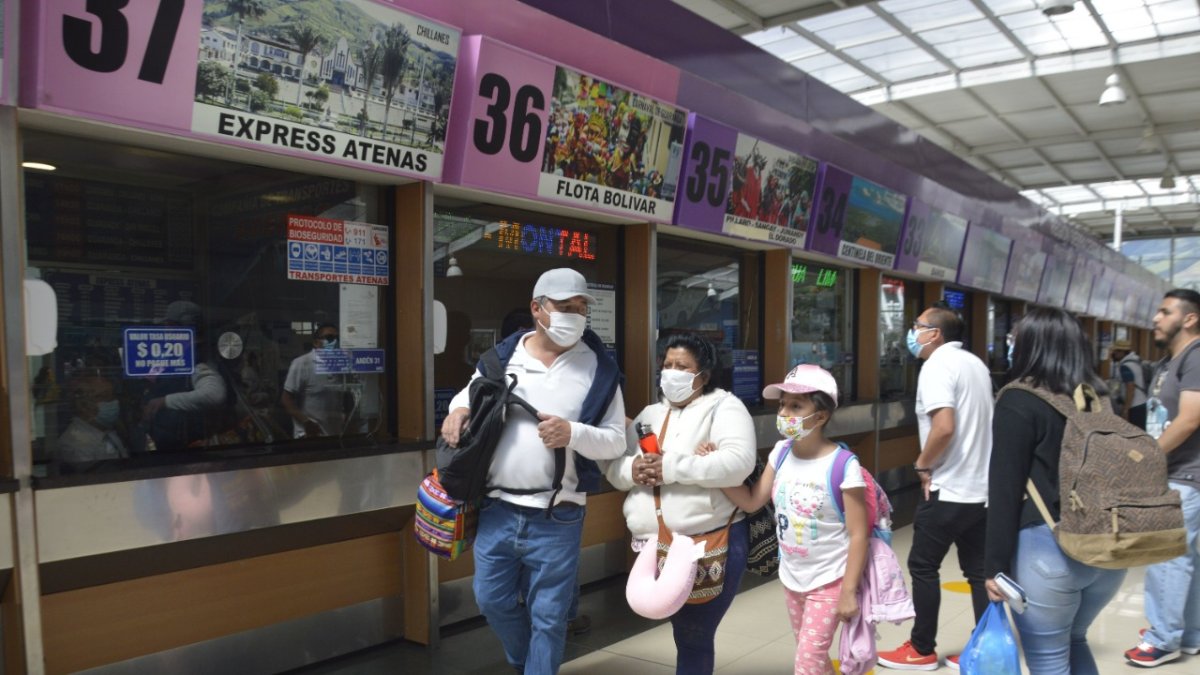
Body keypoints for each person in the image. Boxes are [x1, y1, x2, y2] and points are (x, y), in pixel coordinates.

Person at [441, 268, 625, 675]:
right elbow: (470, 392)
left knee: (549, 616)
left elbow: (615, 441)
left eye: (581, 308)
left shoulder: (599, 369)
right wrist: (458, 410)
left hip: (558, 514)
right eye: (565, 306)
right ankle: (528, 662)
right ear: (537, 309)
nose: (574, 315)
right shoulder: (503, 358)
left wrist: (572, 433)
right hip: (497, 509)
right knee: (491, 599)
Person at [604, 332, 756, 675]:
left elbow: (738, 463)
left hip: (708, 543)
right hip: (654, 543)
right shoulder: (649, 414)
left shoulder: (724, 407)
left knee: (693, 634)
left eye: (682, 367)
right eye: (668, 364)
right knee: (681, 631)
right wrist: (632, 470)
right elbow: (614, 469)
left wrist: (671, 467)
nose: (672, 373)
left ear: (704, 374)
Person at [986, 307, 1126, 674]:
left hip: (1050, 549)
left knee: (1049, 659)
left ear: (1031, 345)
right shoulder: (1096, 396)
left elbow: (1004, 488)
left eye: (1016, 339)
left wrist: (994, 568)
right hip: (1108, 552)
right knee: (1075, 640)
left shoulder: (1018, 399)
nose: (1012, 344)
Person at [718, 364, 869, 675]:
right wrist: (713, 469)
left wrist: (848, 591)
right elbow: (753, 500)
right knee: (811, 655)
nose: (785, 413)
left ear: (821, 416)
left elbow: (859, 534)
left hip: (830, 580)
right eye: (782, 404)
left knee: (806, 663)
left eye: (796, 406)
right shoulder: (781, 453)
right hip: (792, 577)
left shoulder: (844, 465)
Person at [878, 303, 993, 671]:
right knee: (978, 572)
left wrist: (923, 463)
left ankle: (921, 648)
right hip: (981, 488)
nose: (913, 331)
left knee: (923, 565)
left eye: (918, 325)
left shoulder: (937, 366)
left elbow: (944, 427)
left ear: (935, 334)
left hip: (949, 485)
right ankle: (984, 648)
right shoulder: (975, 365)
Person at [1126, 289, 1200, 667]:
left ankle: (1163, 638)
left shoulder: (1196, 356)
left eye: (1164, 311)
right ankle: (1188, 633)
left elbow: (1190, 418)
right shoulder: (1172, 361)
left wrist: (1146, 457)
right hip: (1176, 473)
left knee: (1166, 555)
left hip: (1185, 474)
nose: (1156, 318)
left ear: (1189, 318)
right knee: (1184, 557)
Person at [139, 300, 228, 452]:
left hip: (186, 449)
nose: (165, 330)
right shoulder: (180, 353)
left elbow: (214, 394)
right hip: (168, 440)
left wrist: (164, 401)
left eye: (168, 325)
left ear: (180, 328)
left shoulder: (199, 359)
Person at [281, 322, 363, 438]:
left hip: (335, 435)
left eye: (337, 338)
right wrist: (306, 422)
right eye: (329, 338)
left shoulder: (341, 364)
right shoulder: (302, 363)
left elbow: (346, 396)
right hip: (309, 435)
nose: (335, 341)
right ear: (316, 342)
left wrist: (350, 420)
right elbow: (286, 399)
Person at [57, 373, 129, 467]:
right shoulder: (74, 445)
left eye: (112, 396)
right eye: (103, 397)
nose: (113, 402)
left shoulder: (107, 432)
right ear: (83, 405)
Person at [1111, 339, 1149, 429]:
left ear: (1122, 352)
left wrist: (1125, 409)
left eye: (1116, 351)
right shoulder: (1136, 361)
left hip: (1134, 406)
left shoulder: (1125, 366)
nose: (1113, 354)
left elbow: (1130, 387)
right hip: (1142, 402)